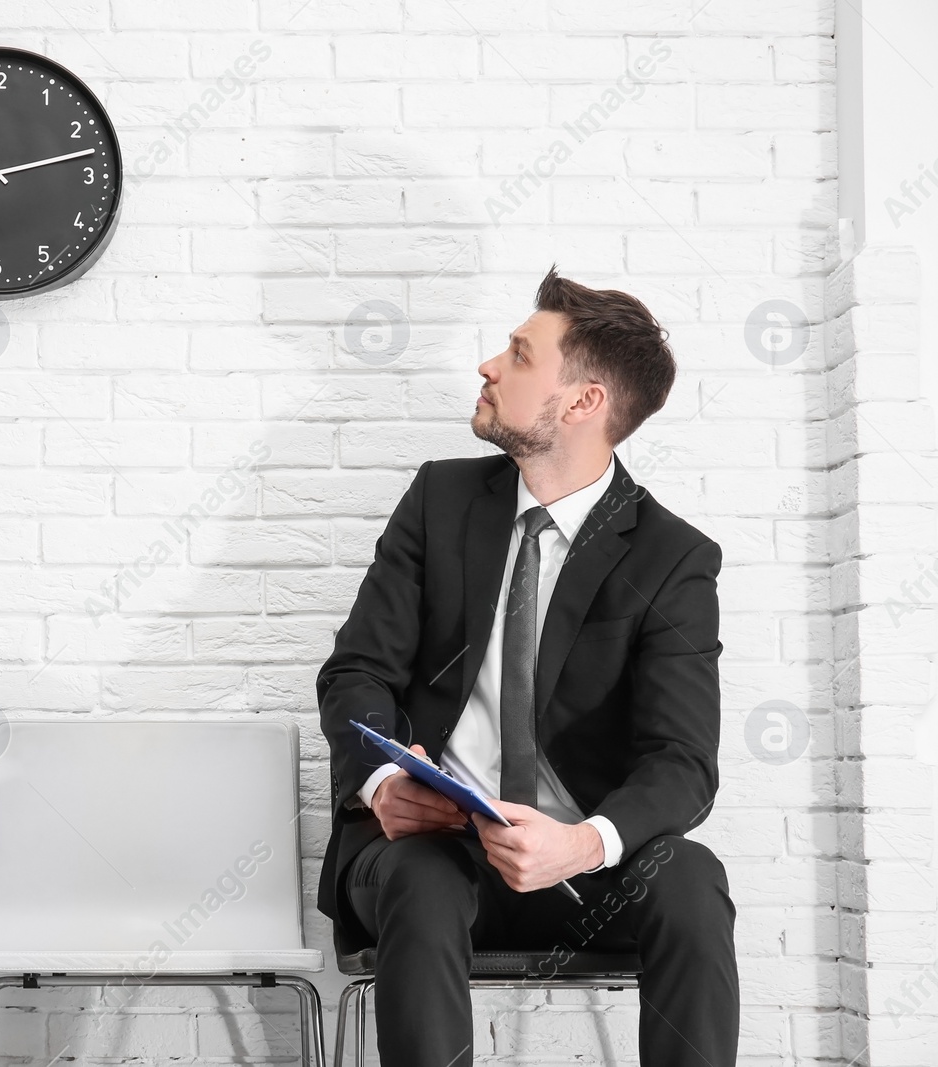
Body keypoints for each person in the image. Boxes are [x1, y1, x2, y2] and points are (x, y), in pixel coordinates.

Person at [316, 266, 739, 1067]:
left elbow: (682, 763)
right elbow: (356, 673)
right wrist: (384, 785)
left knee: (690, 878)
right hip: (430, 859)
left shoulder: (672, 558)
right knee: (425, 877)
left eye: (517, 354)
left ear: (583, 402)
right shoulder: (441, 502)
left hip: (580, 867)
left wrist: (582, 844)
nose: (487, 364)